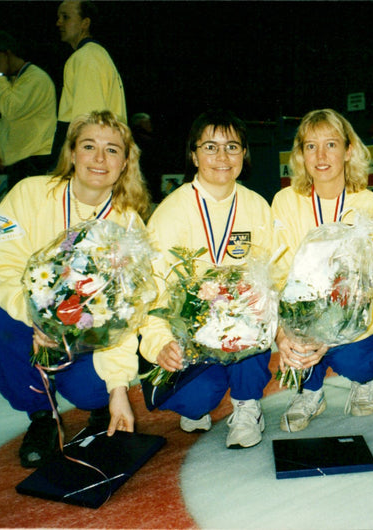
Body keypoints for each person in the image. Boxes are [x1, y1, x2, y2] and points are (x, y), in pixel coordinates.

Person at [0, 110, 151, 468]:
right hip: (32, 327)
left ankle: (99, 406)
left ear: (125, 162)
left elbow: (128, 317)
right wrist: (37, 317)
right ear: (71, 153)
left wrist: (118, 389)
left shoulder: (129, 223)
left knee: (90, 391)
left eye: (112, 150)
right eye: (89, 146)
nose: (100, 159)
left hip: (90, 342)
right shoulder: (29, 194)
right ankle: (42, 417)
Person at [272, 108, 373, 432]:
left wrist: (340, 330)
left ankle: (362, 380)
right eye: (310, 146)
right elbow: (280, 273)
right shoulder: (285, 202)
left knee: (366, 362)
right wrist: (284, 331)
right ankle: (308, 391)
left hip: (357, 324)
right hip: (303, 322)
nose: (321, 155)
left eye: (331, 144)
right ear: (300, 154)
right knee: (300, 339)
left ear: (349, 150)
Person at [138, 110, 274, 449]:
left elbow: (275, 277)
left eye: (232, 146)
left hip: (241, 330)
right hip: (189, 335)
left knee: (253, 313)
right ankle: (198, 400)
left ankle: (246, 405)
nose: (222, 157)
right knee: (197, 397)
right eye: (210, 147)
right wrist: (159, 344)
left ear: (244, 153)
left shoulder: (257, 207)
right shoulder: (171, 211)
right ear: (194, 154)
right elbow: (151, 289)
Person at [0, 30, 56, 190]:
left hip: (34, 160)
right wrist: (4, 154)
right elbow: (15, 124)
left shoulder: (35, 79)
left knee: (29, 211)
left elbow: (9, 108)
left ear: (6, 53)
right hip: (25, 159)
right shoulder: (18, 79)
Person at [51, 0, 126, 164]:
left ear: (85, 23)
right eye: (58, 17)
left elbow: (89, 121)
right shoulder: (94, 54)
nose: (58, 23)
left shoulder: (86, 58)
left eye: (65, 17)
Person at [130, 112, 165, 204]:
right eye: (147, 122)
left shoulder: (134, 138)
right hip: (146, 179)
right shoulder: (143, 140)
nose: (150, 125)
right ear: (140, 124)